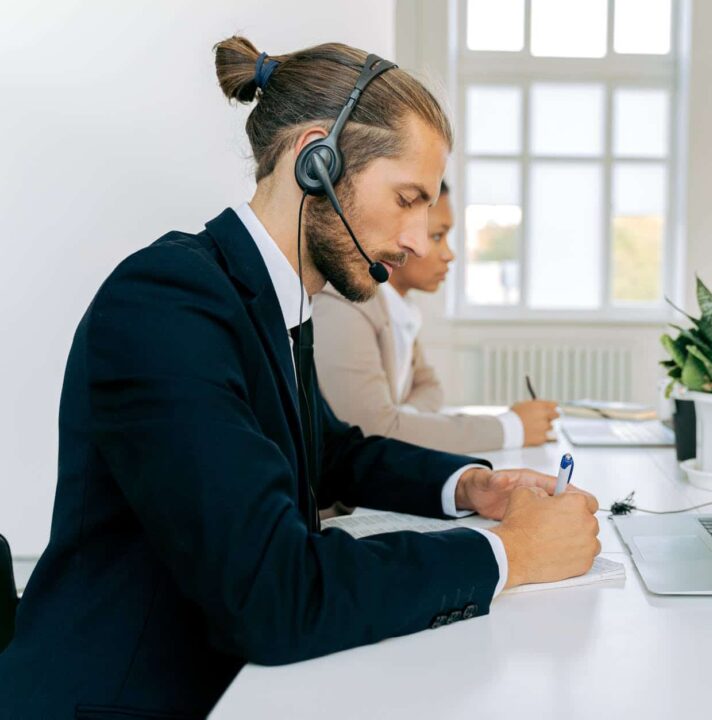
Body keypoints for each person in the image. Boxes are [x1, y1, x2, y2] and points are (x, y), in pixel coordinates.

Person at [0, 38, 600, 718]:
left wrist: (471, 486)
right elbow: (273, 594)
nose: (413, 239)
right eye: (407, 199)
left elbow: (334, 451)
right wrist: (509, 551)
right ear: (317, 159)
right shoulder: (167, 304)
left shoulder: (274, 303)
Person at [313, 181, 559, 453]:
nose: (449, 254)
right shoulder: (343, 306)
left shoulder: (398, 307)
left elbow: (429, 387)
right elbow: (374, 431)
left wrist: (400, 419)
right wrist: (510, 428)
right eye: (438, 236)